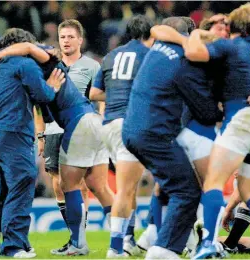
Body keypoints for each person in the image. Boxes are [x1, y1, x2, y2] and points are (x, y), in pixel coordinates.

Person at [154, 3, 250, 258]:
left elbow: (192, 52)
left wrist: (190, 36)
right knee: (249, 190)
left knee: (212, 182)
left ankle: (209, 244)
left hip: (241, 121)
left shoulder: (228, 46)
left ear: (231, 28)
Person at [0, 41, 112, 256]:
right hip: (93, 120)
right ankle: (124, 240)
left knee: (68, 184)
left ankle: (78, 243)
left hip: (79, 122)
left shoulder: (49, 65)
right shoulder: (38, 79)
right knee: (98, 186)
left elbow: (28, 46)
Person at [0, 28, 64, 258]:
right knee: (22, 183)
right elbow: (43, 95)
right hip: (13, 133)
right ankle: (14, 246)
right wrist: (52, 87)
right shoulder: (24, 64)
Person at [122, 17, 203, 259]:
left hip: (132, 131)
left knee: (167, 185)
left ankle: (153, 234)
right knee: (187, 190)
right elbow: (202, 106)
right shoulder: (185, 59)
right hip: (155, 133)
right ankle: (164, 248)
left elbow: (157, 28)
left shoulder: (157, 49)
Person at [89, 15, 154, 258]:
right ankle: (116, 248)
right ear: (150, 34)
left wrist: (117, 95)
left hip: (109, 126)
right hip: (130, 124)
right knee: (127, 189)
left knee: (130, 186)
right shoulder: (149, 55)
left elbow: (95, 93)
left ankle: (128, 239)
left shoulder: (111, 56)